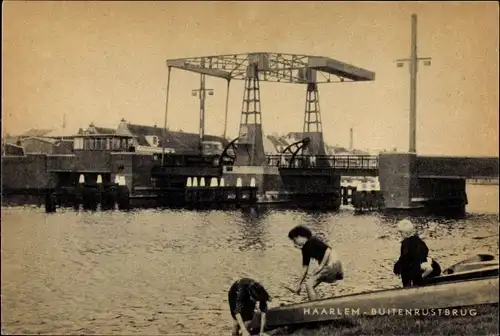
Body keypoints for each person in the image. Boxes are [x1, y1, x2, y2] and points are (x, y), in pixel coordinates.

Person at [287, 225, 344, 301]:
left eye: (294, 240)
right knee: (310, 285)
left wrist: (321, 266)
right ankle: (317, 303)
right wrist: (299, 284)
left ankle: (314, 305)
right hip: (330, 266)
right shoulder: (305, 249)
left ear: (300, 236)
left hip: (332, 264)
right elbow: (305, 268)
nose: (294, 243)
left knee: (309, 284)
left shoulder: (312, 240)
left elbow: (328, 250)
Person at [393, 219, 441, 287]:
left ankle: (411, 285)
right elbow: (404, 258)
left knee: (408, 270)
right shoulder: (416, 241)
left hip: (423, 267)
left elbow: (405, 258)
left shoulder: (408, 244)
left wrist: (419, 280)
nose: (400, 235)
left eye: (401, 233)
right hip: (424, 265)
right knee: (408, 269)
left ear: (405, 233)